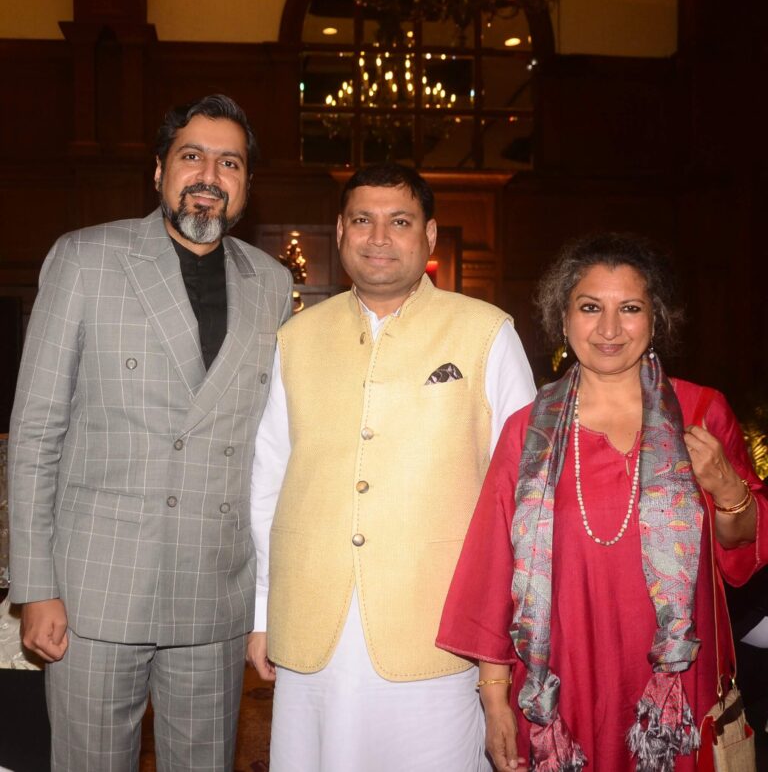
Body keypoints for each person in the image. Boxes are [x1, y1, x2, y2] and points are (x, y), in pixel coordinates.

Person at [9, 94, 292, 772]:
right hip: (95, 592)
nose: (209, 174)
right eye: (192, 155)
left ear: (246, 184)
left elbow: (275, 447)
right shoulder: (86, 259)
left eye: (230, 162)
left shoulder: (273, 285)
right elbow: (35, 431)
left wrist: (264, 600)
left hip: (212, 592)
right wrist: (35, 584)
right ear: (160, 169)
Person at [437, 232, 767, 771]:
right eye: (590, 308)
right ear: (563, 320)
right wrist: (494, 696)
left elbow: (740, 553)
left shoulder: (702, 410)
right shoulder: (528, 433)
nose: (609, 329)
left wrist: (729, 490)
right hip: (562, 686)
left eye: (630, 309)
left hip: (677, 686)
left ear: (655, 320)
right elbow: (491, 567)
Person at [246, 163, 536, 771]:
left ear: (429, 236)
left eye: (398, 221)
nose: (378, 236)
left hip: (439, 629)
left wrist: (503, 644)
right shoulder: (296, 337)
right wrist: (263, 613)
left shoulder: (486, 333)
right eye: (362, 220)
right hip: (310, 622)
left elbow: (525, 495)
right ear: (340, 231)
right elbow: (268, 477)